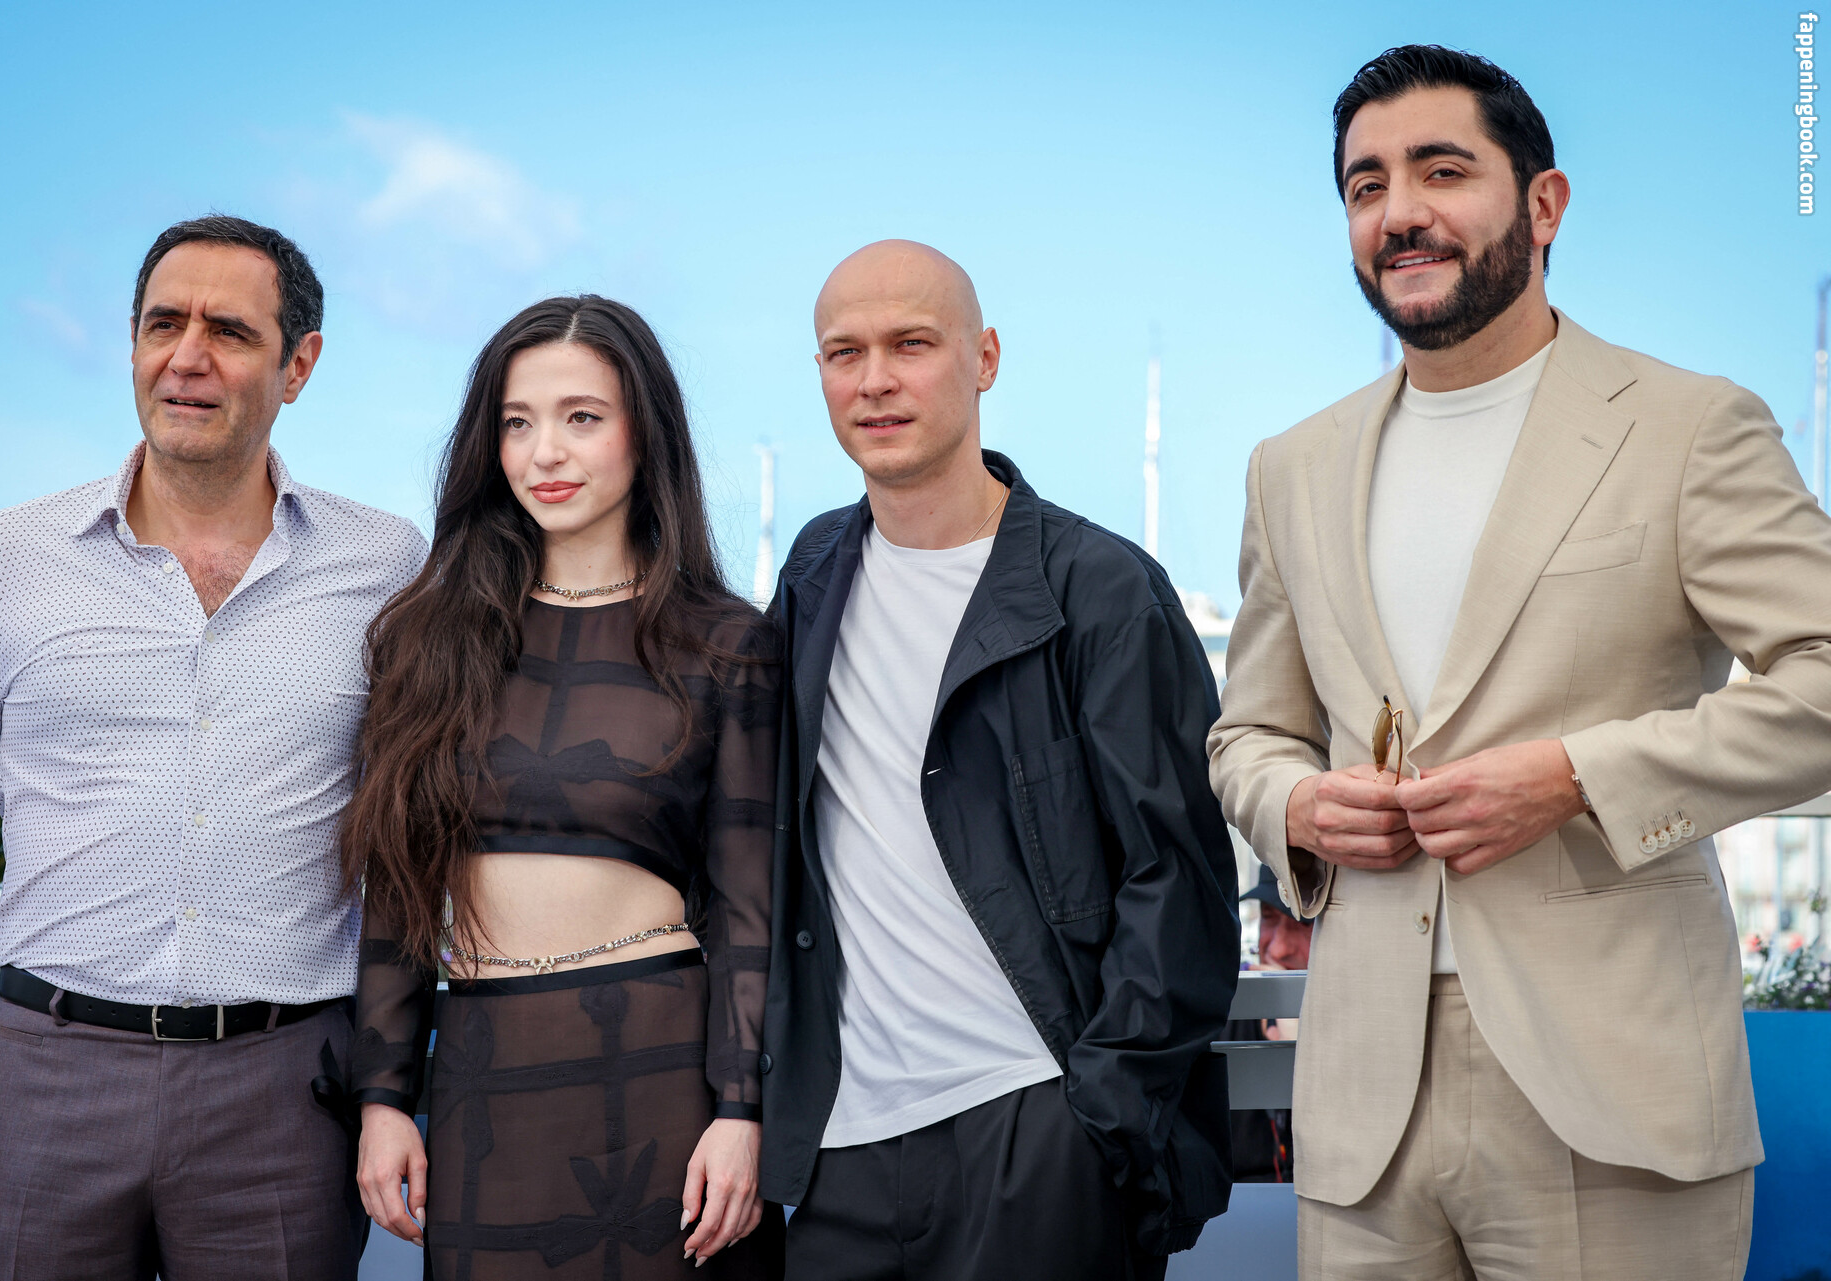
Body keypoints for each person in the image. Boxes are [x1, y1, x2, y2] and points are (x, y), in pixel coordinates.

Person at [1209, 44, 1831, 1280]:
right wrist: (1300, 806)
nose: (1401, 211)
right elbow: (1250, 736)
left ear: (1544, 204)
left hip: (1617, 1092)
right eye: (1367, 185)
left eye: (1443, 171)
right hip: (1363, 1105)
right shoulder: (1291, 468)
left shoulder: (1689, 427)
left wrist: (1578, 778)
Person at [0, 214, 427, 1277]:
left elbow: (412, 847)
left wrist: (394, 1084)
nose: (187, 357)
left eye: (228, 331)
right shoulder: (8, 559)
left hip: (286, 1094)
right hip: (46, 1079)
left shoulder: (385, 566)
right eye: (163, 325)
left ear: (298, 366)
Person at [761, 240, 1239, 1280]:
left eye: (911, 344)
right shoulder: (810, 575)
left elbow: (1181, 883)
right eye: (845, 353)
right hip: (839, 1148)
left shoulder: (1102, 588)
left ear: (983, 359)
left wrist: (1100, 1117)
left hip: (1038, 1128)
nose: (874, 379)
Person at [346, 295, 784, 1279]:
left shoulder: (728, 644)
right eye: (517, 421)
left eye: (582, 417)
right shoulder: (426, 639)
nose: (545, 451)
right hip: (481, 1071)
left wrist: (742, 1110)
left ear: (645, 432)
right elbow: (396, 892)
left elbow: (751, 905)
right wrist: (383, 1097)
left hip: (667, 1076)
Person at [1228, 864, 1312, 1184]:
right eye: (1269, 917)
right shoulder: (1225, 1009)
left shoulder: (1367, 1026)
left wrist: (1304, 1051)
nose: (1277, 947)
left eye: (1302, 923)